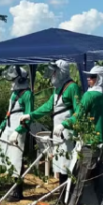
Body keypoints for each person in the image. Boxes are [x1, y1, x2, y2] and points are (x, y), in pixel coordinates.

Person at [64, 65, 103, 205]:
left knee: (78, 186)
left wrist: (62, 125)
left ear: (99, 79)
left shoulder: (89, 96)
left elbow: (77, 117)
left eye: (92, 77)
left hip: (89, 147)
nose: (88, 79)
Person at [20, 60, 80, 189]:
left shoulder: (72, 87)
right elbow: (48, 106)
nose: (52, 74)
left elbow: (79, 112)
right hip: (58, 131)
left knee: (67, 162)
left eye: (54, 71)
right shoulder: (57, 89)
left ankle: (69, 193)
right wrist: (31, 115)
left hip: (67, 132)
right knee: (59, 161)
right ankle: (62, 192)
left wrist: (66, 124)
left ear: (61, 72)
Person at [0, 66, 33, 202]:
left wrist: (19, 131)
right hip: (8, 128)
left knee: (16, 159)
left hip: (18, 131)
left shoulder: (27, 94)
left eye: (13, 79)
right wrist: (1, 127)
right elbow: (9, 113)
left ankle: (17, 191)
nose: (11, 82)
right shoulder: (14, 94)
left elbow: (29, 116)